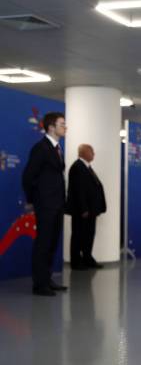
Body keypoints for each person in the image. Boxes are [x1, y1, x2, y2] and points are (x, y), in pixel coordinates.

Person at [22, 112, 69, 296]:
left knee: (52, 243)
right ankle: (39, 284)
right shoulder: (41, 148)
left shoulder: (57, 148)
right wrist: (34, 200)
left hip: (57, 204)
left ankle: (47, 279)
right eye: (62, 124)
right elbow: (28, 177)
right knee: (43, 243)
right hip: (46, 205)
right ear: (51, 127)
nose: (65, 127)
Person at [66, 144, 107, 269]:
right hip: (82, 211)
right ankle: (76, 261)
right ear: (84, 153)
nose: (94, 154)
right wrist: (83, 208)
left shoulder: (87, 167)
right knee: (78, 235)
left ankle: (87, 258)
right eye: (92, 151)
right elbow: (78, 190)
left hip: (91, 210)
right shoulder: (77, 167)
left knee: (89, 235)